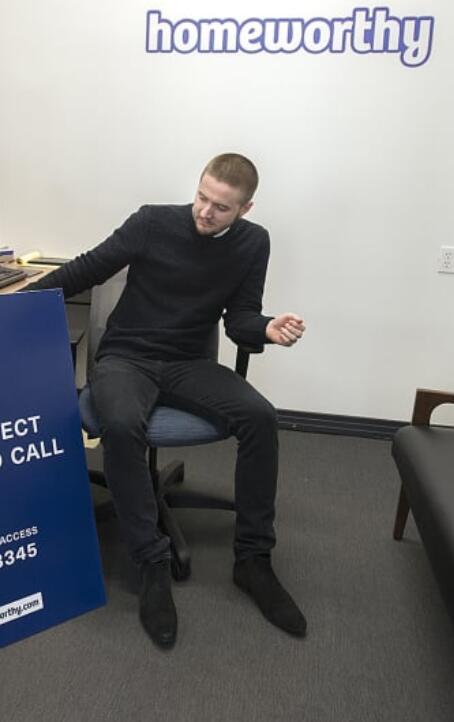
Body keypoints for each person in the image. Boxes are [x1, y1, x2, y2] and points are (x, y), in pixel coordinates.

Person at [26, 152, 307, 649]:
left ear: (245, 209)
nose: (205, 211)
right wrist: (11, 304)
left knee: (261, 417)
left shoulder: (252, 243)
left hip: (187, 362)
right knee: (119, 422)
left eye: (221, 207)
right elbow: (88, 269)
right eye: (202, 197)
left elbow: (239, 318)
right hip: (126, 357)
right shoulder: (153, 222)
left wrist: (263, 327)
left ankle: (253, 560)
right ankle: (151, 563)